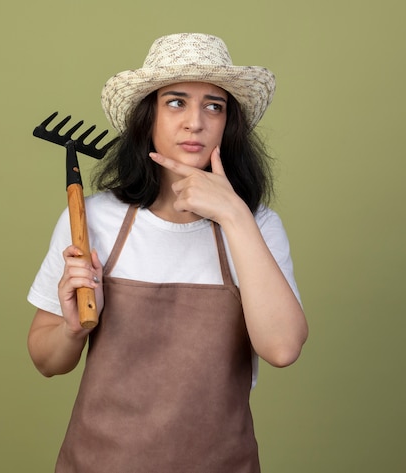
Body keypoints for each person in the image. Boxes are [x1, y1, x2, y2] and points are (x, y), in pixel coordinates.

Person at [27, 32, 308, 473]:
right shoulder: (94, 221)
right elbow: (46, 360)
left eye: (213, 106)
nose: (195, 121)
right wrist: (72, 329)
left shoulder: (257, 227)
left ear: (227, 124)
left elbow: (283, 348)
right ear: (148, 118)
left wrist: (234, 215)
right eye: (176, 102)